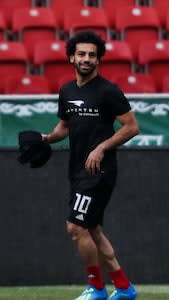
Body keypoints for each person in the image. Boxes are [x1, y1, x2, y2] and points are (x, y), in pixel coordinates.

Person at [42, 31, 139, 300]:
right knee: (92, 229)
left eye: (92, 55)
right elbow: (64, 127)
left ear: (99, 60)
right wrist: (46, 138)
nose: (87, 59)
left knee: (76, 227)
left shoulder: (108, 91)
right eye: (82, 54)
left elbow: (132, 127)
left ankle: (96, 288)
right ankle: (124, 288)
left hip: (99, 170)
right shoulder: (67, 90)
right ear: (71, 57)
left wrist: (102, 147)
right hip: (77, 169)